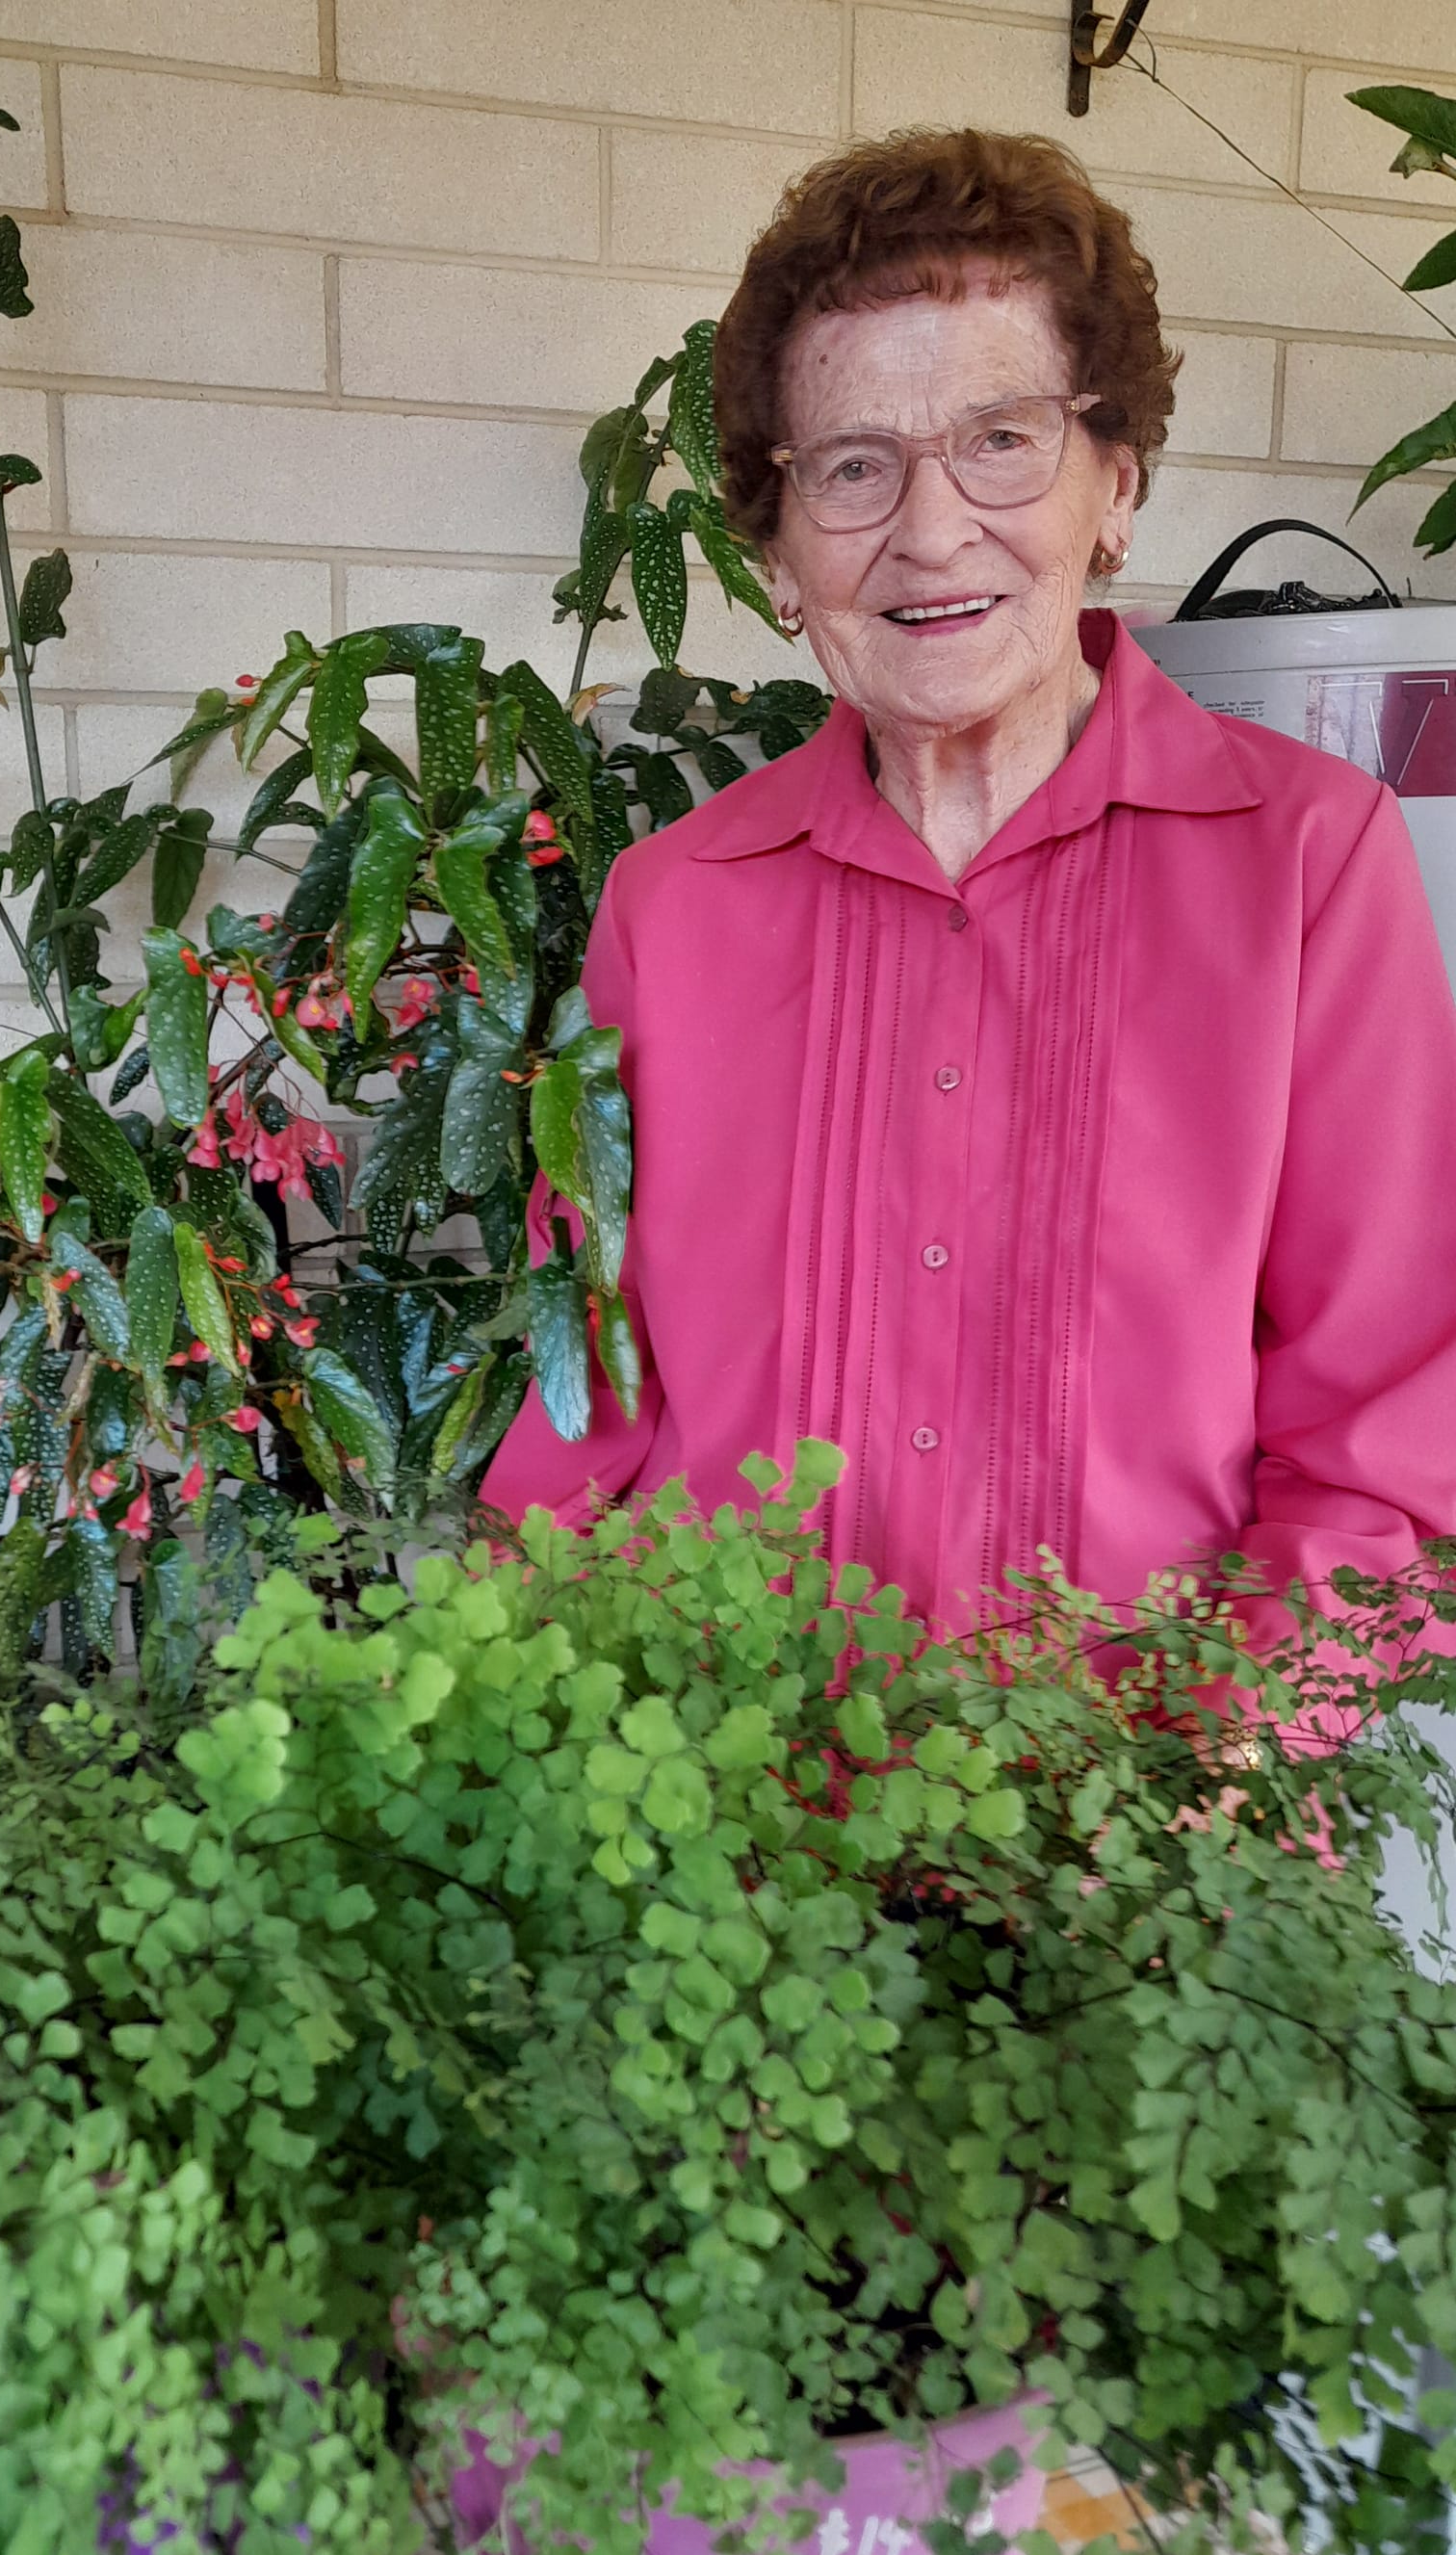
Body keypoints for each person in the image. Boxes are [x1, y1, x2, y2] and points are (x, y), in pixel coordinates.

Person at [480, 126, 1456, 1659]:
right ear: (781, 555)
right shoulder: (671, 908)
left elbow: (1385, 1419)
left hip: (1145, 1829)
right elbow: (585, 1380)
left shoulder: (1308, 864)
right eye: (854, 468)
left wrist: (1221, 1780)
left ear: (1114, 487)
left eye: (1002, 440)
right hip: (724, 1828)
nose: (931, 532)